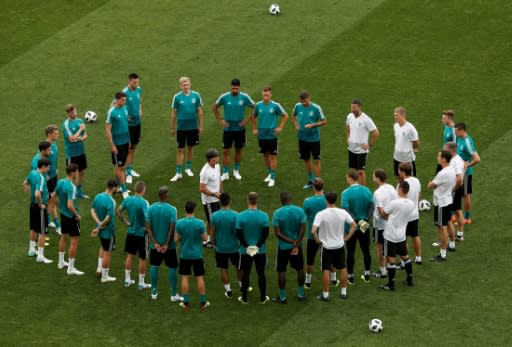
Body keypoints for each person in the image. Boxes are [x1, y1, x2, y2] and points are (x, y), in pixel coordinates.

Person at [312, 191, 356, 301]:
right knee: (342, 267)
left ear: (326, 200)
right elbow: (354, 225)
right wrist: (347, 238)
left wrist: (317, 240)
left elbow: (313, 231)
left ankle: (326, 295)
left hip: (326, 246)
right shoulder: (343, 212)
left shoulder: (321, 214)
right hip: (339, 245)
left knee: (326, 269)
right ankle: (343, 292)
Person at [212, 78, 255, 181]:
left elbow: (255, 107)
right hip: (228, 127)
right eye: (233, 88)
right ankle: (226, 172)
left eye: (236, 88)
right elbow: (214, 107)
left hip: (240, 128)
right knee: (226, 150)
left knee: (239, 150)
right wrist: (220, 120)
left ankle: (236, 170)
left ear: (239, 87)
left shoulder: (244, 97)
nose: (234, 90)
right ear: (230, 87)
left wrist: (248, 119)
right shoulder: (224, 97)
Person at [146, 186, 183, 302]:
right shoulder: (172, 209)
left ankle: (154, 292)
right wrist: (166, 244)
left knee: (154, 266)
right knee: (172, 268)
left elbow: (148, 228)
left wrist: (155, 243)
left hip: (155, 246)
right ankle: (173, 294)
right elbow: (172, 229)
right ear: (166, 195)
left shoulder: (150, 209)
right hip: (169, 246)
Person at [380, 181, 415, 291]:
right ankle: (409, 279)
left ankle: (391, 285)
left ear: (400, 189)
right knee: (405, 257)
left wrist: (378, 204)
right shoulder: (411, 203)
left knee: (391, 259)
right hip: (401, 236)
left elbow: (383, 213)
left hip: (390, 236)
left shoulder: (394, 203)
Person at [272, 191, 307, 303]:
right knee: (300, 269)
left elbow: (278, 233)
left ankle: (283, 297)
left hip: (283, 247)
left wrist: (291, 241)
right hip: (297, 246)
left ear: (281, 201)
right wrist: (296, 242)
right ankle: (301, 295)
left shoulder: (277, 213)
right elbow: (302, 228)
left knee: (281, 271)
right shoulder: (300, 211)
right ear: (290, 199)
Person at [236, 192, 270, 304]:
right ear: (257, 200)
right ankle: (263, 298)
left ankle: (244, 298)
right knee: (261, 274)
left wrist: (248, 247)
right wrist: (257, 247)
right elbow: (265, 234)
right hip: (260, 251)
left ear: (248, 200)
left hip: (245, 251)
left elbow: (239, 234)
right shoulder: (264, 215)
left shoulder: (240, 216)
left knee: (246, 274)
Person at [303, 178, 338, 288]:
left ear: (313, 187)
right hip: (327, 235)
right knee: (330, 259)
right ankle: (333, 280)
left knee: (310, 260)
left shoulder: (307, 201)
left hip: (312, 236)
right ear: (323, 187)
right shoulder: (328, 200)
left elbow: (305, 216)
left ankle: (308, 282)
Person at [252, 86, 289, 187]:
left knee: (273, 156)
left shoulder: (276, 105)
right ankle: (269, 173)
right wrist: (254, 128)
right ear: (261, 94)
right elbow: (253, 116)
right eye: (264, 95)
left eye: (267, 95)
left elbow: (285, 115)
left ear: (271, 95)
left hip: (272, 135)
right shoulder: (258, 105)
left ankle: (272, 177)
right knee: (265, 155)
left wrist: (280, 127)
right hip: (261, 135)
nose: (265, 97)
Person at [175, 201, 209, 310]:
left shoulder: (179, 223)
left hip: (184, 255)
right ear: (194, 210)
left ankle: (186, 303)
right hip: (197, 255)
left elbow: (176, 239)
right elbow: (204, 239)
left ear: (185, 210)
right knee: (199, 278)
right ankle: (203, 302)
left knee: (185, 278)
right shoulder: (200, 223)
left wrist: (183, 237)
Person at [116, 181, 151, 289]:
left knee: (130, 255)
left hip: (131, 232)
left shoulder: (128, 199)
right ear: (143, 190)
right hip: (141, 234)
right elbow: (147, 218)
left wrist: (126, 223)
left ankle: (127, 280)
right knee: (142, 258)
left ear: (135, 189)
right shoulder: (144, 202)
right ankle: (141, 283)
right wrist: (147, 228)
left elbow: (118, 212)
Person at [341, 169, 374, 283]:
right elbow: (372, 206)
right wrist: (365, 219)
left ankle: (350, 277)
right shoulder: (366, 190)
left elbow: (345, 209)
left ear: (350, 178)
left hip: (352, 226)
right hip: (364, 224)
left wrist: (354, 221)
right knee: (366, 250)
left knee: (351, 251)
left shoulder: (345, 193)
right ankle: (367, 274)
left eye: (347, 177)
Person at [210, 192, 244, 299]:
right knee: (239, 267)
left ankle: (229, 291)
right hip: (234, 247)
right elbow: (238, 232)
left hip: (221, 248)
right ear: (230, 201)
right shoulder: (236, 215)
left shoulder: (214, 216)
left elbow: (212, 233)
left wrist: (215, 244)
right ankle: (242, 287)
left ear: (220, 202)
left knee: (223, 269)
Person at [169, 77, 203, 182]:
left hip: (193, 127)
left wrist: (200, 125)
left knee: (190, 147)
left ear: (190, 84)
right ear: (180, 86)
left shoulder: (196, 95)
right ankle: (178, 172)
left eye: (187, 84)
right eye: (184, 85)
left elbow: (199, 111)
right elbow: (174, 113)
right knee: (180, 149)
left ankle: (188, 168)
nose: (186, 87)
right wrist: (172, 127)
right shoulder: (177, 97)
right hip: (181, 128)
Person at [292, 91, 327, 189]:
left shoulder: (316, 108)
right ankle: (311, 180)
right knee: (306, 159)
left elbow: (324, 121)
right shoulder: (298, 106)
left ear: (309, 98)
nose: (303, 103)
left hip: (314, 139)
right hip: (302, 138)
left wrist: (313, 125)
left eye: (305, 101)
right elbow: (293, 115)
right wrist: (297, 125)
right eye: (302, 101)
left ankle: (317, 181)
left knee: (316, 160)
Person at [53, 163, 84, 275]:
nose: (77, 173)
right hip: (71, 216)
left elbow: (53, 196)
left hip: (63, 215)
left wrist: (61, 206)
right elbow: (70, 205)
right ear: (72, 172)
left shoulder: (61, 182)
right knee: (74, 241)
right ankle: (71, 268)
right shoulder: (71, 186)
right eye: (76, 171)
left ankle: (61, 262)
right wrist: (77, 215)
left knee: (64, 237)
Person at [428, 150, 456, 262]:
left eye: (439, 156)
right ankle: (452, 244)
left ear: (444, 159)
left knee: (442, 228)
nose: (437, 158)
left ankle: (442, 254)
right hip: (448, 200)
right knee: (448, 222)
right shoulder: (452, 169)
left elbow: (430, 185)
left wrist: (432, 184)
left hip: (440, 203)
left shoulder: (442, 173)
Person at [24, 159, 52, 263]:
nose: (49, 168)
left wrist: (27, 190)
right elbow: (37, 194)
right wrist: (41, 204)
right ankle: (40, 256)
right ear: (43, 167)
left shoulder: (32, 173)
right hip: (39, 207)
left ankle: (31, 250)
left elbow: (25, 183)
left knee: (34, 228)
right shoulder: (41, 178)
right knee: (42, 231)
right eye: (48, 167)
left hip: (32, 205)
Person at [91, 179, 119, 283]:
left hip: (100, 229)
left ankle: (99, 268)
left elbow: (92, 210)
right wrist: (99, 227)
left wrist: (98, 223)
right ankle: (105, 276)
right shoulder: (112, 201)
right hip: (108, 230)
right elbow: (107, 219)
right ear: (114, 188)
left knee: (103, 246)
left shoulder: (98, 196)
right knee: (108, 252)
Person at [345, 99, 379, 186]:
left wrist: (370, 144)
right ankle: (354, 188)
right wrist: (348, 137)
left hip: (361, 150)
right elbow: (347, 126)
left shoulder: (366, 119)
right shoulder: (350, 116)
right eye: (352, 107)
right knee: (352, 171)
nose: (353, 109)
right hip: (351, 149)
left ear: (360, 107)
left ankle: (363, 189)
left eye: (354, 108)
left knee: (360, 172)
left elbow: (375, 132)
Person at [372, 169, 398, 278]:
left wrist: (387, 219)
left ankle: (383, 271)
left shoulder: (377, 193)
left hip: (380, 225)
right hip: (391, 224)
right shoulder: (392, 187)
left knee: (380, 248)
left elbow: (381, 212)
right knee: (389, 246)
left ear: (378, 178)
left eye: (373, 176)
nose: (372, 178)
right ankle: (390, 266)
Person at [106, 92, 130, 199]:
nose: (124, 102)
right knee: (120, 167)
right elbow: (107, 129)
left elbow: (125, 125)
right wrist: (112, 145)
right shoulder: (112, 112)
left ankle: (118, 185)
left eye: (125, 100)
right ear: (117, 100)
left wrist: (128, 140)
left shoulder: (124, 108)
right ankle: (124, 189)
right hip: (118, 144)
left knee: (121, 166)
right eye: (123, 100)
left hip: (125, 141)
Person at [455, 122, 480, 224]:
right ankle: (461, 216)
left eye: (456, 131)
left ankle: (467, 218)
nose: (455, 132)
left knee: (465, 195)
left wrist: (466, 165)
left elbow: (477, 159)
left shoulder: (467, 142)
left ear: (462, 130)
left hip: (465, 173)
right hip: (459, 172)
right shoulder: (459, 138)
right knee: (461, 194)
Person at [62, 104, 89, 199]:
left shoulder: (80, 121)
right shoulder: (66, 124)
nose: (74, 113)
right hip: (71, 154)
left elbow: (85, 134)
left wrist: (82, 137)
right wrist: (80, 129)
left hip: (81, 151)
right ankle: (69, 192)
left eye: (75, 111)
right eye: (72, 112)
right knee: (71, 174)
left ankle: (78, 191)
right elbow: (72, 139)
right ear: (68, 113)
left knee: (81, 172)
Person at [397, 162, 423, 264]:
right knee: (415, 236)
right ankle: (418, 258)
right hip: (414, 214)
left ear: (403, 172)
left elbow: (398, 200)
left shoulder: (401, 184)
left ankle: (404, 262)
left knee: (403, 239)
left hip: (404, 216)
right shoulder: (416, 180)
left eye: (399, 170)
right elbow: (419, 195)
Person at [199, 148, 222, 248]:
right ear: (209, 160)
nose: (217, 160)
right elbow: (202, 188)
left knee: (210, 220)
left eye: (217, 158)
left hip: (217, 198)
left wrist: (221, 193)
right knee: (213, 222)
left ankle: (205, 237)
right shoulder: (204, 172)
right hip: (209, 201)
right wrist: (215, 194)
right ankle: (209, 241)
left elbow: (219, 179)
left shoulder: (217, 166)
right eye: (215, 159)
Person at [122, 73, 143, 184]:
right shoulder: (124, 92)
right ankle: (128, 173)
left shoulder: (138, 89)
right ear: (129, 81)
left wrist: (140, 109)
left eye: (137, 82)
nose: (136, 84)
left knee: (134, 146)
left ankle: (130, 168)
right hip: (129, 125)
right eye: (134, 82)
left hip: (137, 123)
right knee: (129, 148)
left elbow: (140, 101)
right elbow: (117, 105)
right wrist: (126, 116)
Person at [444, 142, 465, 247]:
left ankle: (447, 236)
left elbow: (460, 177)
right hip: (458, 187)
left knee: (448, 213)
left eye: (445, 149)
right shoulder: (458, 159)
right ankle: (460, 234)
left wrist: (453, 189)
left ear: (450, 150)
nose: (444, 150)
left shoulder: (455, 161)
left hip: (455, 188)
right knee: (458, 210)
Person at [393, 106, 419, 179]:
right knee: (399, 176)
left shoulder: (410, 128)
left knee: (410, 178)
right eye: (394, 115)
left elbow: (416, 141)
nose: (395, 117)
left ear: (403, 115)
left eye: (396, 115)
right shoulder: (395, 126)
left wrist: (414, 149)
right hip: (397, 156)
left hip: (407, 158)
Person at [44, 125, 62, 234]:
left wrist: (55, 169)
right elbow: (41, 161)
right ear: (50, 134)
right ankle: (58, 225)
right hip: (48, 179)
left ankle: (47, 221)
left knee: (51, 200)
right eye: (55, 133)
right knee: (52, 201)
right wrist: (46, 175)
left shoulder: (54, 144)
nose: (58, 135)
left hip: (54, 176)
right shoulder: (46, 147)